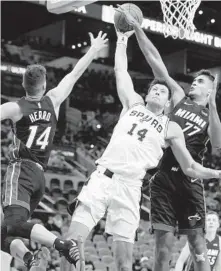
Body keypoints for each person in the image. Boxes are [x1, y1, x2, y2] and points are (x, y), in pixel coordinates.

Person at [62, 26, 221, 271]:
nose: (158, 90)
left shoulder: (171, 127)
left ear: (168, 102)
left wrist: (214, 172)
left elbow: (195, 161)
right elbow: (124, 69)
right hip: (113, 177)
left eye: (163, 91)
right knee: (73, 243)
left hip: (137, 186)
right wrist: (126, 38)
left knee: (132, 262)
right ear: (147, 95)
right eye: (154, 89)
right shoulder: (135, 104)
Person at [117, 6, 221, 271]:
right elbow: (155, 60)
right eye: (194, 80)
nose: (193, 84)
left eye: (199, 82)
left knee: (197, 244)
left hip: (190, 179)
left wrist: (213, 105)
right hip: (164, 177)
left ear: (210, 90)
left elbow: (217, 143)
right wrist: (138, 27)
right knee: (162, 249)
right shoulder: (178, 97)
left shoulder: (211, 117)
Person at [1, 31, 108, 270]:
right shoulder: (53, 99)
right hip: (40, 178)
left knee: (14, 224)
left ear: (23, 83)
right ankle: (31, 260)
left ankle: (62, 245)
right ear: (45, 84)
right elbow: (75, 73)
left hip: (21, 171)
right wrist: (93, 50)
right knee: (3, 232)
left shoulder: (16, 107)